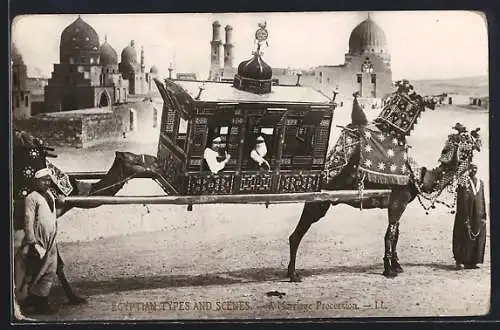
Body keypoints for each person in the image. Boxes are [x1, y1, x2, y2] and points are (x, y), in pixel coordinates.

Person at [15, 168, 59, 314]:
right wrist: (32, 242)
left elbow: (52, 215)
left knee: (50, 270)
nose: (46, 182)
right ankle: (35, 301)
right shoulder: (32, 198)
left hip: (51, 239)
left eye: (48, 180)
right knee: (36, 271)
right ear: (36, 181)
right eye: (43, 180)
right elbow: (28, 221)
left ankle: (39, 298)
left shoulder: (50, 195)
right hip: (38, 240)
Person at [453, 164, 487, 269]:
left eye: (476, 168)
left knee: (477, 236)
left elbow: (482, 199)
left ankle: (473, 261)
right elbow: (460, 200)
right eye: (472, 168)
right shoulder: (463, 182)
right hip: (465, 213)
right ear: (468, 170)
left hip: (478, 213)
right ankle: (460, 260)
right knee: (463, 235)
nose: (474, 170)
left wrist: (484, 215)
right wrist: (463, 215)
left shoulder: (480, 183)